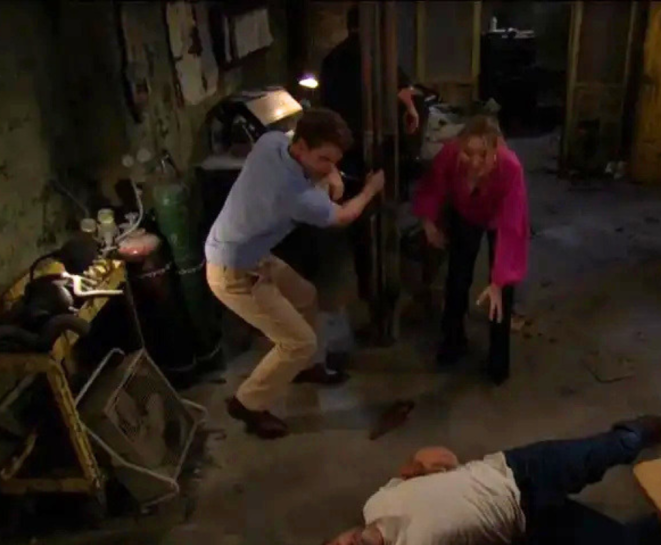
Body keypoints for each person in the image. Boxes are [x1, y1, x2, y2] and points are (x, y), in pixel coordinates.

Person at [310, 415, 661, 545]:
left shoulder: (375, 504)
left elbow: (414, 472)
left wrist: (420, 461)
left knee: (615, 448)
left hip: (517, 469)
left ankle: (634, 434)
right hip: (530, 524)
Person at [205, 108, 385, 439]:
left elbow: (319, 177)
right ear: (301, 146)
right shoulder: (294, 195)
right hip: (233, 270)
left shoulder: (272, 142)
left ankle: (305, 366)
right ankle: (247, 404)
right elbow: (343, 216)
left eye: (334, 160)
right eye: (323, 159)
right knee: (298, 341)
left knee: (305, 296)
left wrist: (329, 174)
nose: (329, 167)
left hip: (251, 253)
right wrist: (370, 190)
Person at [412, 115, 529, 385]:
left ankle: (498, 360)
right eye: (468, 153)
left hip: (498, 218)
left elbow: (512, 225)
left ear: (496, 148)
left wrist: (499, 280)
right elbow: (433, 185)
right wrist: (428, 223)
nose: (474, 162)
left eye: (483, 155)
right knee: (457, 277)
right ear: (460, 146)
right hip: (466, 213)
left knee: (501, 294)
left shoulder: (511, 167)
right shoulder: (450, 154)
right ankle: (453, 341)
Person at [319, 4, 420, 304]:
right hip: (373, 147)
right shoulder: (375, 56)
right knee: (381, 210)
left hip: (347, 150)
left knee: (360, 224)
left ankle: (369, 288)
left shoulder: (333, 60)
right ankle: (385, 286)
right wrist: (410, 107)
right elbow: (403, 89)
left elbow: (325, 108)